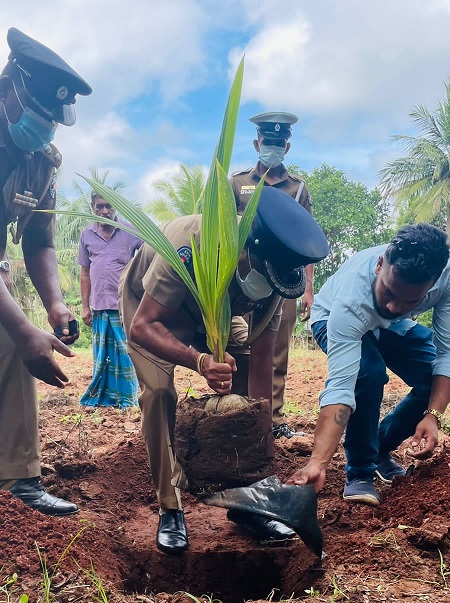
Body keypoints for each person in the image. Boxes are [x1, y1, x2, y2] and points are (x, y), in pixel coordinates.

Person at [119, 186, 328, 553]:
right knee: (158, 394)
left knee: (245, 370)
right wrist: (200, 362)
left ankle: (247, 504)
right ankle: (170, 508)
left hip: (219, 313)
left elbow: (262, 360)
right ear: (247, 247)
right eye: (262, 272)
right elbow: (143, 326)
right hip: (153, 309)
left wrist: (256, 442)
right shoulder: (192, 244)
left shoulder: (277, 274)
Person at [288, 223, 450, 507]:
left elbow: (446, 356)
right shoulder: (351, 302)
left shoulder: (444, 279)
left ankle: (380, 448)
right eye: (388, 292)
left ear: (433, 285)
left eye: (410, 300)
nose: (394, 306)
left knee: (433, 377)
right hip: (331, 317)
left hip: (391, 328)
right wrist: (318, 462)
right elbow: (340, 387)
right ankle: (360, 471)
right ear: (379, 265)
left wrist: (433, 416)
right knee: (369, 373)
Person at [0, 28, 91, 515]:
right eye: (39, 116)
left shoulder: (41, 163)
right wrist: (23, 330)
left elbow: (40, 241)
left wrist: (55, 303)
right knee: (16, 337)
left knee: (13, 345)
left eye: (52, 122)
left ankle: (18, 480)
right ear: (9, 89)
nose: (44, 130)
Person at [230, 112, 314, 439]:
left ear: (287, 147)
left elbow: (308, 241)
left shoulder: (298, 188)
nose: (273, 147)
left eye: (279, 143)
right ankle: (239, 408)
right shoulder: (238, 183)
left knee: (278, 349)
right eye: (268, 142)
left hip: (284, 281)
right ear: (257, 143)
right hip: (242, 280)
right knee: (237, 342)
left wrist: (308, 288)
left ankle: (272, 418)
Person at [79, 193, 142, 407]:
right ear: (93, 207)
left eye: (108, 206)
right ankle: (102, 396)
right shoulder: (86, 234)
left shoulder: (130, 231)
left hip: (124, 305)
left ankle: (126, 398)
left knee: (125, 353)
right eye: (99, 206)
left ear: (115, 207)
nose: (104, 211)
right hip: (98, 306)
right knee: (102, 354)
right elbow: (85, 273)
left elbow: (148, 259)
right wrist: (85, 306)